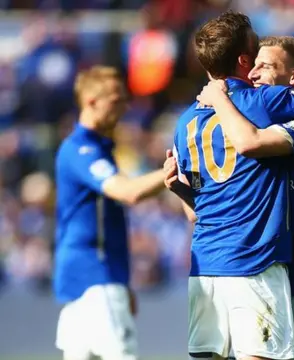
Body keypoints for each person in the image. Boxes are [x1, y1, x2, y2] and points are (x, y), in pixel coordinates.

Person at [169, 12, 294, 360]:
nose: (255, 73)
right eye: (254, 63)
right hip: (261, 265)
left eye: (266, 65)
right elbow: (205, 209)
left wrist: (219, 99)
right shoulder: (256, 105)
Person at [54, 65, 167, 360]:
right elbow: (128, 192)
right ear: (91, 101)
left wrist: (122, 282)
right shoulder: (81, 149)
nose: (124, 107)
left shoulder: (96, 149)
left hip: (88, 281)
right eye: (116, 100)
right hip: (95, 276)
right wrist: (174, 168)